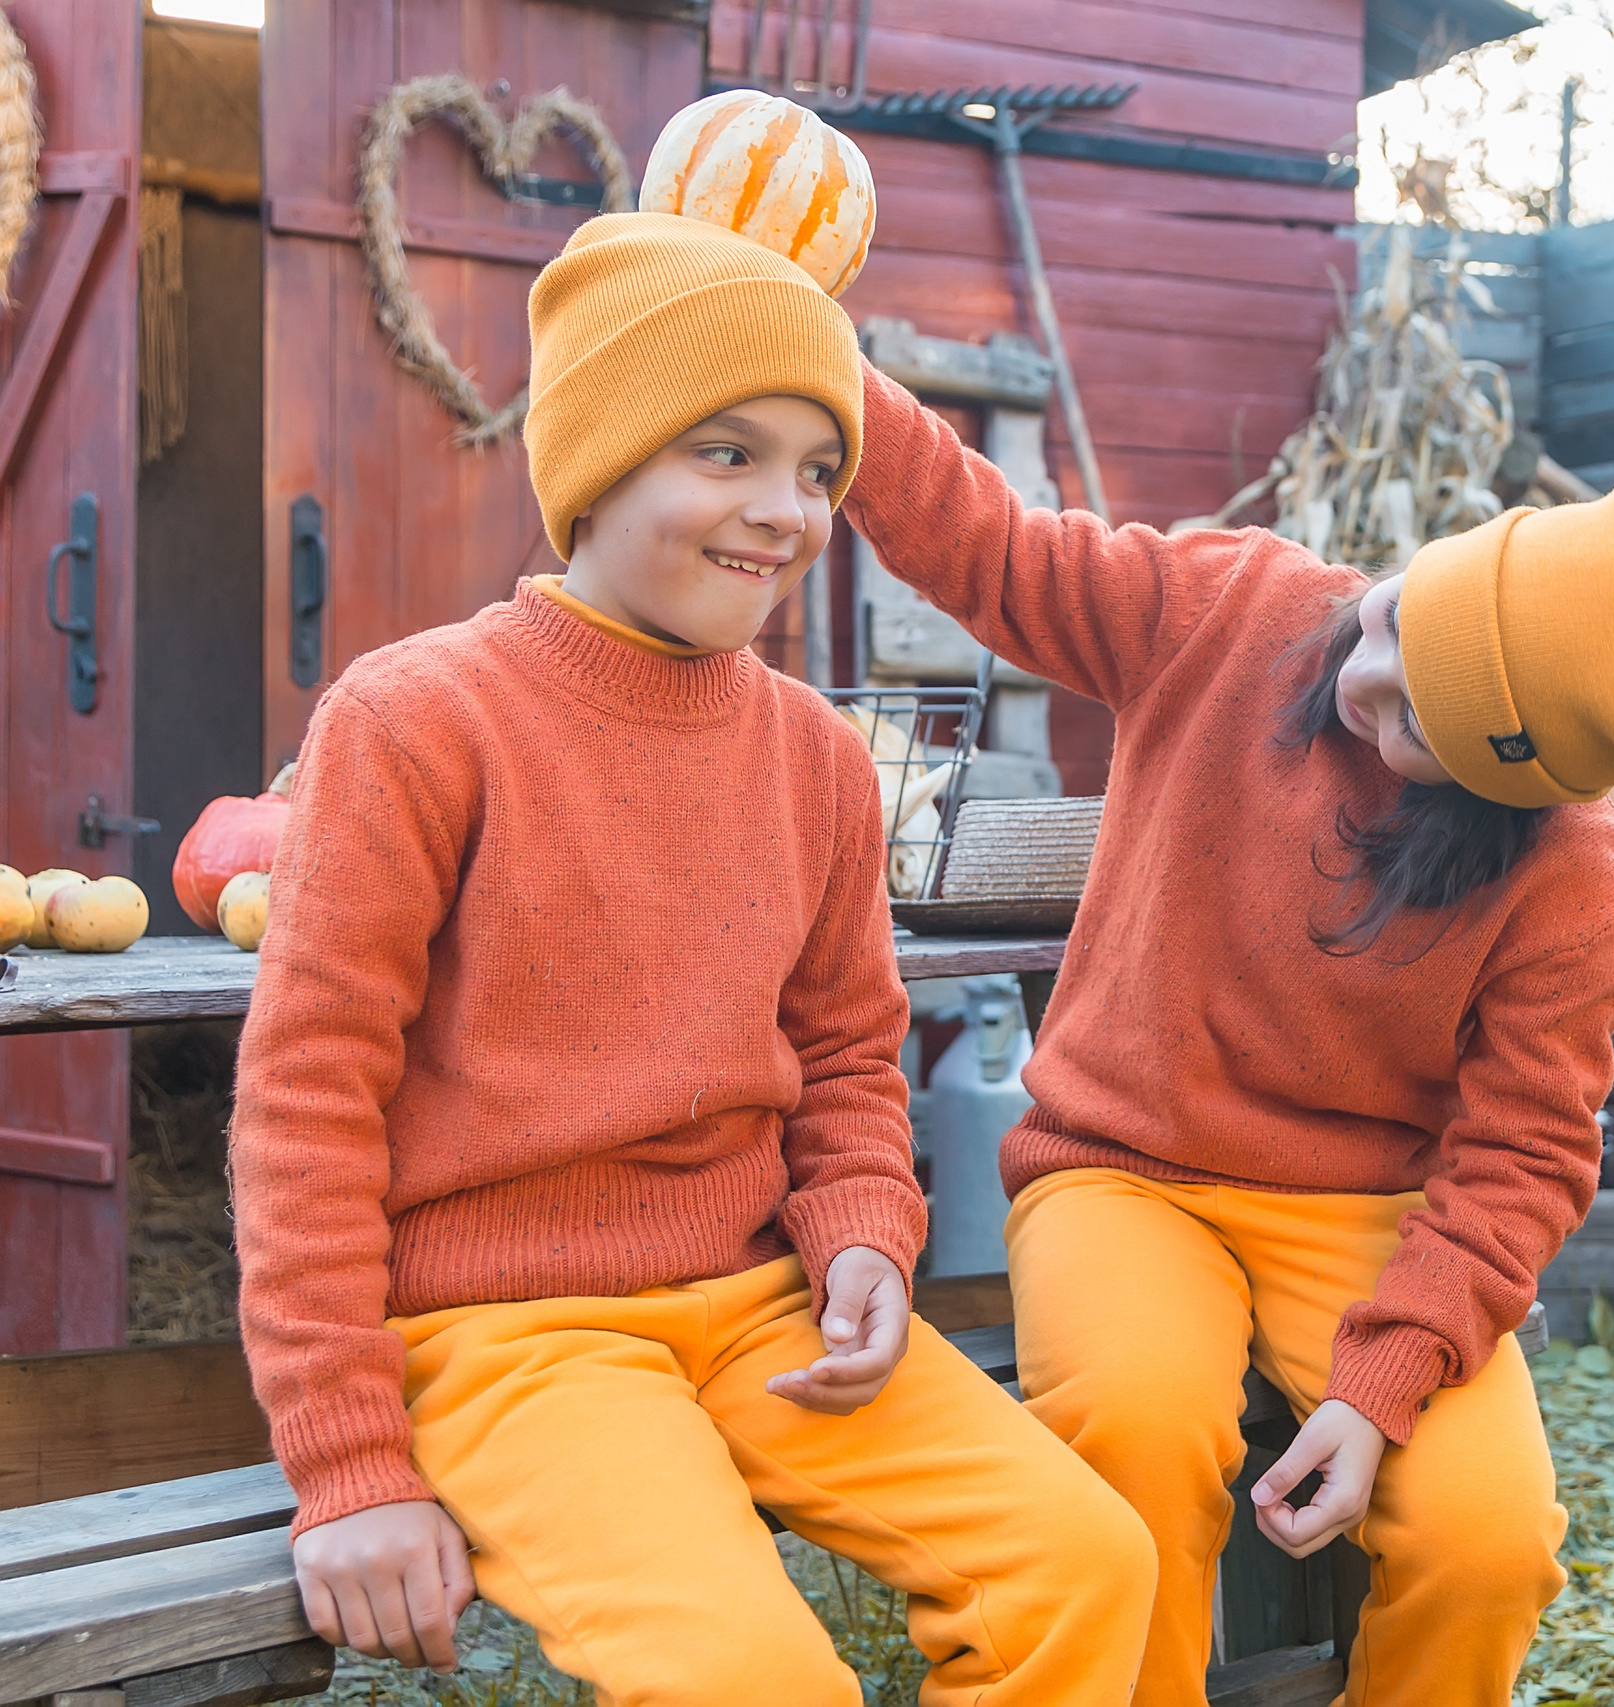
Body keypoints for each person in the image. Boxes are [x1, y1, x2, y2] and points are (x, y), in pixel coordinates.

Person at [227, 212, 1153, 1707]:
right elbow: (305, 1111)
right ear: (596, 461)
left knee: (1085, 1565)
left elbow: (851, 1053)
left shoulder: (817, 760)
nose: (784, 509)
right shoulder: (415, 722)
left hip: (768, 1306)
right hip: (510, 1337)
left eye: (815, 469)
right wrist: (348, 1465)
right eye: (725, 454)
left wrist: (863, 1230)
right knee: (754, 1678)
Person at [840, 358, 1614, 1705]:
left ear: (1519, 798)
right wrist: (821, 369)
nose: (1363, 694)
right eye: (1395, 632)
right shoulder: (1233, 608)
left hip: (1369, 1212)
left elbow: (1522, 1162)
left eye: (1415, 731)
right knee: (1134, 1443)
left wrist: (1383, 1383)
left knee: (1488, 1544)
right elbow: (993, 552)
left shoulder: (1571, 891)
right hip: (1123, 1171)